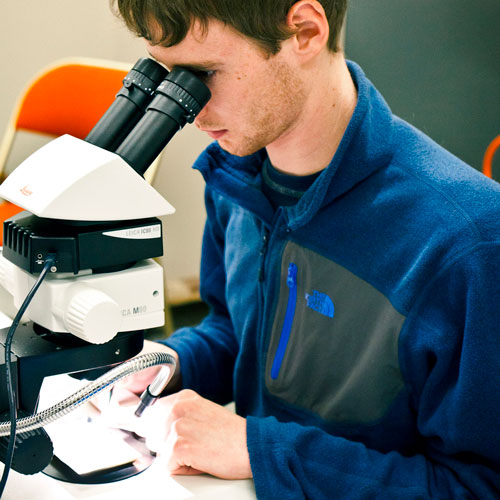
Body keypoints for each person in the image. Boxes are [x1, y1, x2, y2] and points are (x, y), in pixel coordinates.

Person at [109, 1, 500, 498]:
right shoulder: (239, 180)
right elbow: (238, 331)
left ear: (305, 32)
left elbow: (478, 486)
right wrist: (169, 360)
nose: (191, 110)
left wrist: (260, 449)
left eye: (204, 73)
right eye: (167, 74)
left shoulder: (469, 244)